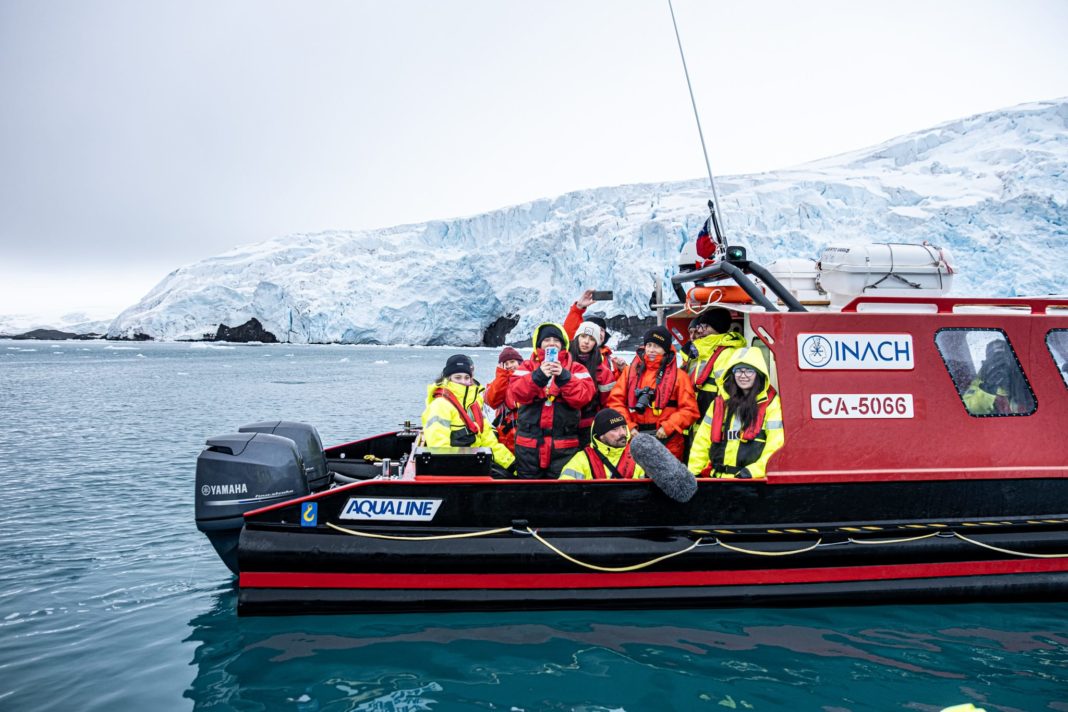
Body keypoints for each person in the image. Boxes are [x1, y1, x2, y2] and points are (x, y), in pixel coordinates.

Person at [508, 323, 597, 478]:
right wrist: (538, 376)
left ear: (563, 344)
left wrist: (564, 377)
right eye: (547, 339)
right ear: (539, 344)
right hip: (529, 445)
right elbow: (517, 393)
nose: (551, 343)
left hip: (564, 445)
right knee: (528, 491)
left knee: (562, 491)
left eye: (556, 340)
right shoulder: (527, 367)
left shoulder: (576, 369)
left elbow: (584, 397)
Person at [606, 326, 699, 460]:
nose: (651, 350)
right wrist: (629, 427)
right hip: (635, 439)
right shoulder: (629, 373)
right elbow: (615, 402)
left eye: (656, 346)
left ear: (665, 349)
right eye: (649, 345)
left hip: (669, 442)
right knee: (636, 479)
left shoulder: (679, 376)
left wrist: (668, 427)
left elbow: (690, 410)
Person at [687, 347, 783, 479]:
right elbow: (701, 442)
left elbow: (776, 446)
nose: (743, 375)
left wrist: (752, 472)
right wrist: (693, 473)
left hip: (751, 483)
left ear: (759, 374)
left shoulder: (772, 405)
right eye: (738, 370)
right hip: (717, 481)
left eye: (749, 371)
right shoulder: (719, 404)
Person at [421, 354, 515, 472]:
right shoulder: (440, 406)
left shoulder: (474, 406)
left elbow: (490, 443)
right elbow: (440, 450)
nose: (463, 382)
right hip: (456, 471)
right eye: (458, 377)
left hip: (476, 464)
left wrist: (513, 465)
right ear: (447, 379)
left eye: (467, 377)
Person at [683, 307, 747, 418]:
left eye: (705, 326)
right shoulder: (702, 351)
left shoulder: (727, 353)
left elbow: (729, 394)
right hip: (697, 418)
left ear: (718, 328)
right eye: (700, 326)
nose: (700, 330)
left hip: (714, 420)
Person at [559, 408, 646, 480]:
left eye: (623, 427)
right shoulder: (581, 460)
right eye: (615, 429)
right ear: (601, 436)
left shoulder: (638, 458)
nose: (623, 433)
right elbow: (565, 494)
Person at [569, 321, 618, 446]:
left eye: (591, 339)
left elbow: (609, 403)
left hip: (589, 428)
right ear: (577, 338)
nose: (586, 342)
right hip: (563, 426)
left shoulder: (603, 372)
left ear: (596, 343)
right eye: (583, 336)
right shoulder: (563, 364)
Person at [961, 340, 1033, 415]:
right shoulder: (981, 381)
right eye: (995, 359)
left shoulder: (1023, 376)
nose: (999, 364)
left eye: (1003, 358)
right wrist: (987, 389)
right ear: (988, 361)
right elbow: (969, 409)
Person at [562, 289, 627, 373]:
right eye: (593, 329)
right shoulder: (575, 351)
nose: (598, 332)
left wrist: (622, 369)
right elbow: (570, 330)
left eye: (602, 330)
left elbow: (618, 383)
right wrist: (578, 308)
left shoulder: (610, 360)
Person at [484, 346, 523, 453]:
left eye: (512, 361)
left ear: (519, 362)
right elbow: (492, 401)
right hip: (506, 434)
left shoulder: (529, 379)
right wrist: (502, 376)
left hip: (525, 429)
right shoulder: (497, 382)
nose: (510, 366)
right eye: (506, 364)